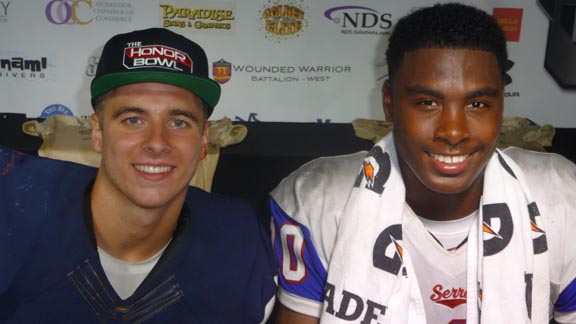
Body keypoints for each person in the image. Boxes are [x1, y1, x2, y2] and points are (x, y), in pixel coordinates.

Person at [269, 3, 576, 324]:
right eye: (428, 103)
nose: (453, 132)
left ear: (501, 107)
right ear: (389, 103)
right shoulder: (320, 198)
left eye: (478, 103)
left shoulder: (558, 196)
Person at [0, 28, 276, 323]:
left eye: (179, 122)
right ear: (97, 132)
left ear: (204, 140)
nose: (157, 142)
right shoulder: (15, 205)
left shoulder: (238, 240)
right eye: (133, 119)